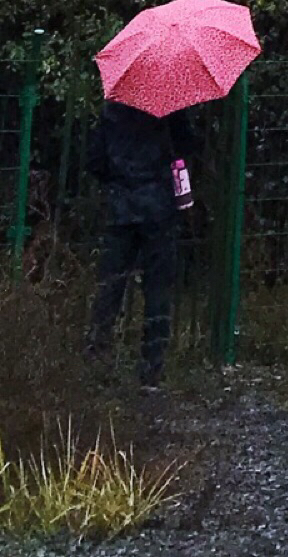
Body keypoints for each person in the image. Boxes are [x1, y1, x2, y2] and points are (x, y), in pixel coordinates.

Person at [83, 99, 194, 387]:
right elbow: (188, 146)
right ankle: (152, 368)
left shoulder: (113, 109)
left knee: (111, 284)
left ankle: (98, 357)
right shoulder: (171, 107)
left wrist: (118, 179)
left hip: (121, 207)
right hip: (159, 207)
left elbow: (94, 160)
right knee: (157, 288)